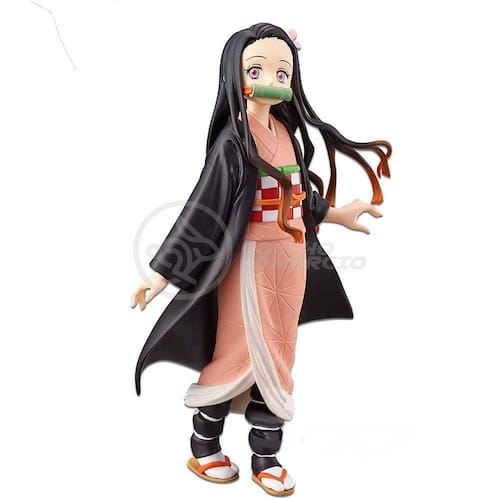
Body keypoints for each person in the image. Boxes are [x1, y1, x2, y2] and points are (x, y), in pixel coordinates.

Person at [131, 22, 391, 496]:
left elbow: (297, 194)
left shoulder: (285, 133)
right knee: (239, 353)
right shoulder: (235, 141)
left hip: (291, 258)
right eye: (256, 69)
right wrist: (161, 272)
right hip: (249, 259)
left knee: (280, 355)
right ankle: (205, 447)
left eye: (282, 71)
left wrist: (336, 213)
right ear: (235, 75)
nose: (271, 79)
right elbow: (204, 207)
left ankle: (266, 458)